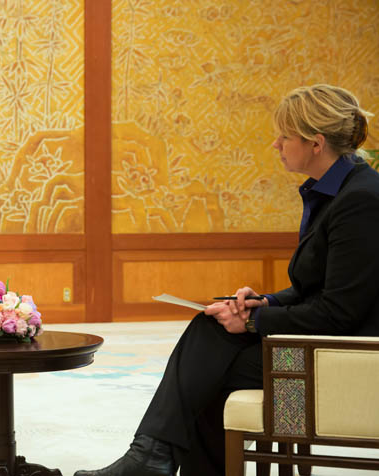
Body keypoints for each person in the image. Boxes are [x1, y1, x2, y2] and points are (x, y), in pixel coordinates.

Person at [75, 84, 379, 476]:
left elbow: (340, 313)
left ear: (316, 142)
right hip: (319, 345)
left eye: (285, 136)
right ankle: (149, 457)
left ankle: (149, 457)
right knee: (210, 327)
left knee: (206, 378)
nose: (276, 144)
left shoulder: (361, 201)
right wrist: (265, 303)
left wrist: (253, 321)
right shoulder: (341, 191)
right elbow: (317, 289)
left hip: (343, 360)